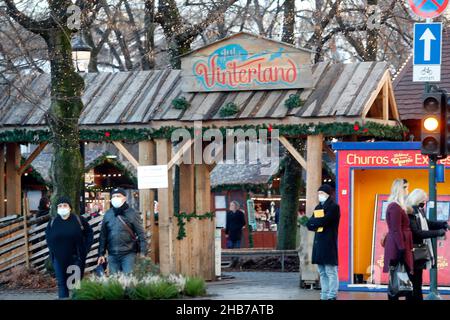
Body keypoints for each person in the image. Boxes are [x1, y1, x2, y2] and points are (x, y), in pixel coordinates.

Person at [45, 196, 93, 299]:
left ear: (70, 207)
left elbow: (89, 233)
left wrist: (85, 249)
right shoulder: (53, 222)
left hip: (75, 258)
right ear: (57, 208)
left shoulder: (78, 219)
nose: (62, 207)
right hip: (58, 259)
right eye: (60, 206)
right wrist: (53, 251)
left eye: (65, 205)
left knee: (74, 285)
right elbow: (48, 237)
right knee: (62, 284)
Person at [405, 188, 448, 301]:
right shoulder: (411, 212)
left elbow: (427, 223)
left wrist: (442, 224)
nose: (425, 202)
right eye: (424, 200)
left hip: (419, 252)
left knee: (417, 282)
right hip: (413, 252)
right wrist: (437, 233)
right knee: (413, 283)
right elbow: (417, 233)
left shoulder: (419, 211)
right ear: (418, 200)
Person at [97, 188, 147, 274]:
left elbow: (141, 235)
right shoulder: (108, 214)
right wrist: (101, 254)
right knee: (115, 284)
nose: (115, 198)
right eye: (114, 196)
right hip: (112, 255)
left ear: (124, 198)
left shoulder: (132, 213)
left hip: (128, 254)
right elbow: (103, 235)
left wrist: (143, 253)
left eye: (118, 196)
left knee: (129, 283)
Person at [306, 184, 340, 300]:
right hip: (319, 242)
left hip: (328, 242)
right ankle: (324, 294)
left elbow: (324, 221)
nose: (319, 195)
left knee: (331, 271)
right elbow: (309, 223)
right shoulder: (318, 207)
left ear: (328, 194)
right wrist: (316, 222)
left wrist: (315, 222)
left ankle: (332, 294)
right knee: (322, 271)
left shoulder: (334, 207)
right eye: (318, 193)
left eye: (322, 193)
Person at [383, 178, 414, 300]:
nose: (408, 190)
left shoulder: (397, 206)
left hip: (398, 244)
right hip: (398, 246)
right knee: (396, 279)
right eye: (406, 187)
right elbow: (396, 229)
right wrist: (401, 248)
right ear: (400, 189)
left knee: (398, 278)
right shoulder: (395, 207)